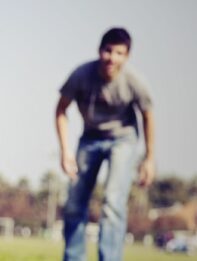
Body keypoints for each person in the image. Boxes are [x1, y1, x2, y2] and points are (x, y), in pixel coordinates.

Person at [55, 28, 155, 261]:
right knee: (75, 202)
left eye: (119, 53)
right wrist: (65, 150)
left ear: (127, 56)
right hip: (90, 138)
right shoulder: (81, 75)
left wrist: (149, 158)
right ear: (100, 51)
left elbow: (148, 116)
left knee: (112, 201)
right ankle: (74, 257)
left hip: (123, 140)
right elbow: (61, 109)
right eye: (108, 51)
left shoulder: (134, 81)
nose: (112, 58)